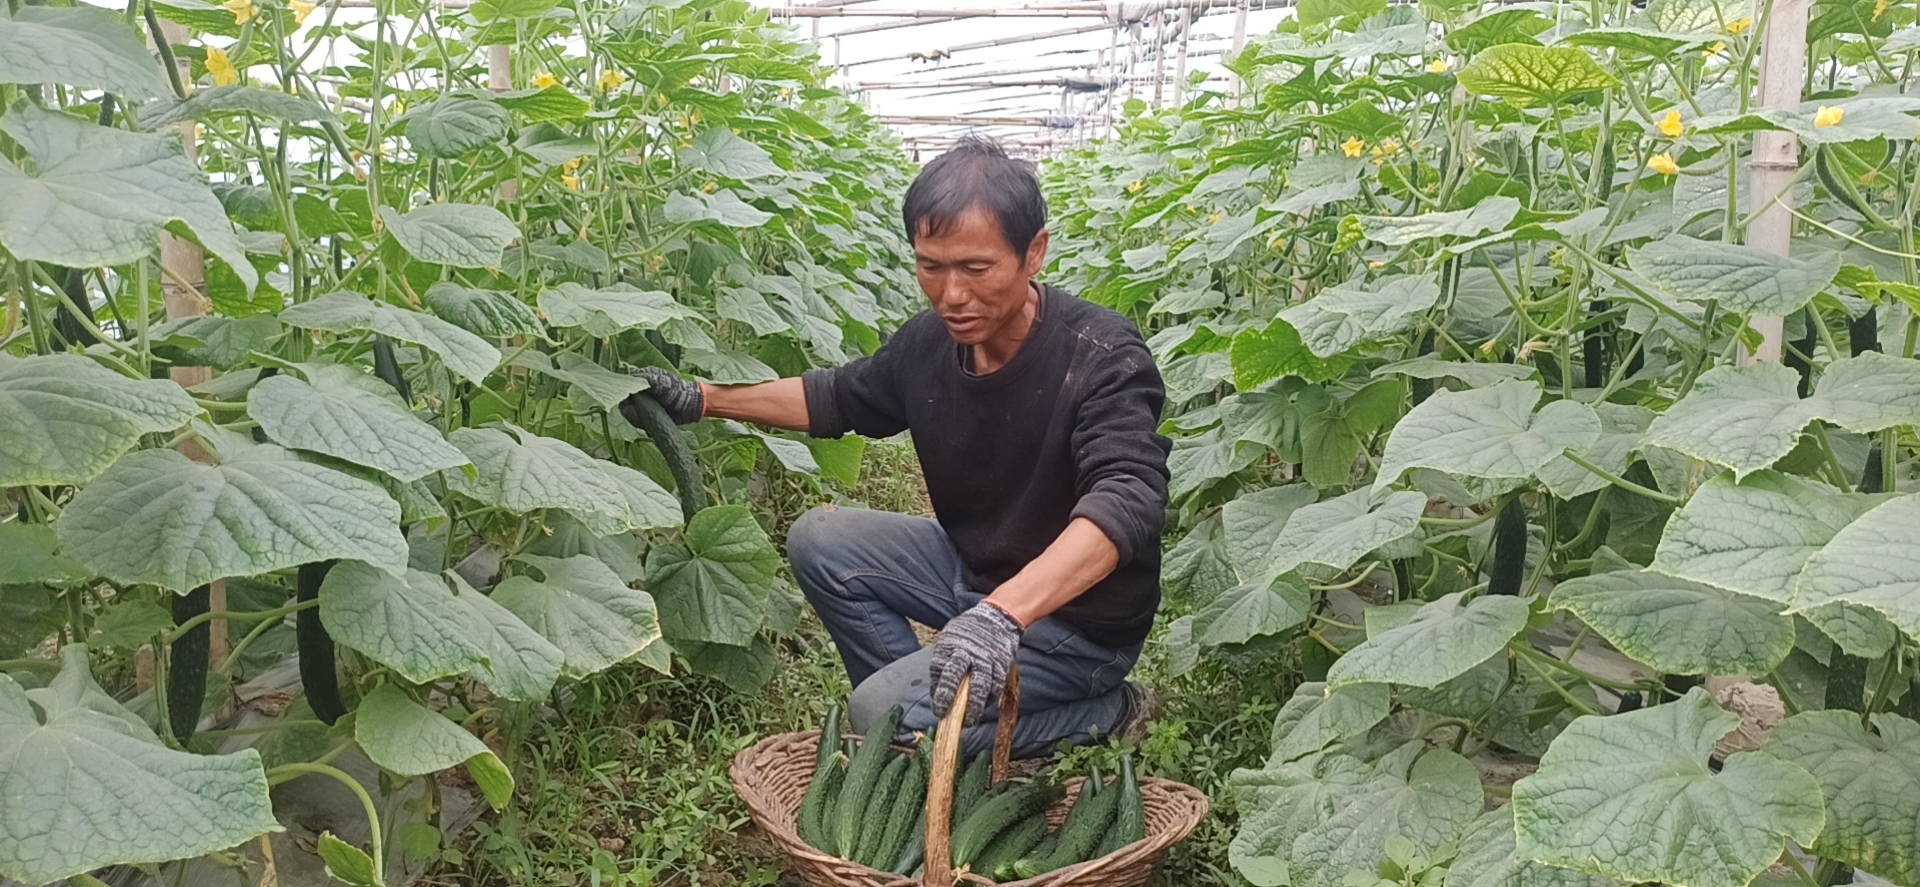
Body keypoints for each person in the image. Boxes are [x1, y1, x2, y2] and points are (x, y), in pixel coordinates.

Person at [619, 136, 1169, 758]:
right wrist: (703, 398)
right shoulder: (930, 343)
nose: (951, 294)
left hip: (1076, 622)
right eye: (931, 266)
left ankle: (1107, 711)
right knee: (822, 540)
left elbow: (1127, 499)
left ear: (1034, 252)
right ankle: (920, 723)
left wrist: (1004, 614)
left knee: (878, 714)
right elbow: (835, 397)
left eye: (976, 269)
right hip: (977, 573)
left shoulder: (1100, 356)